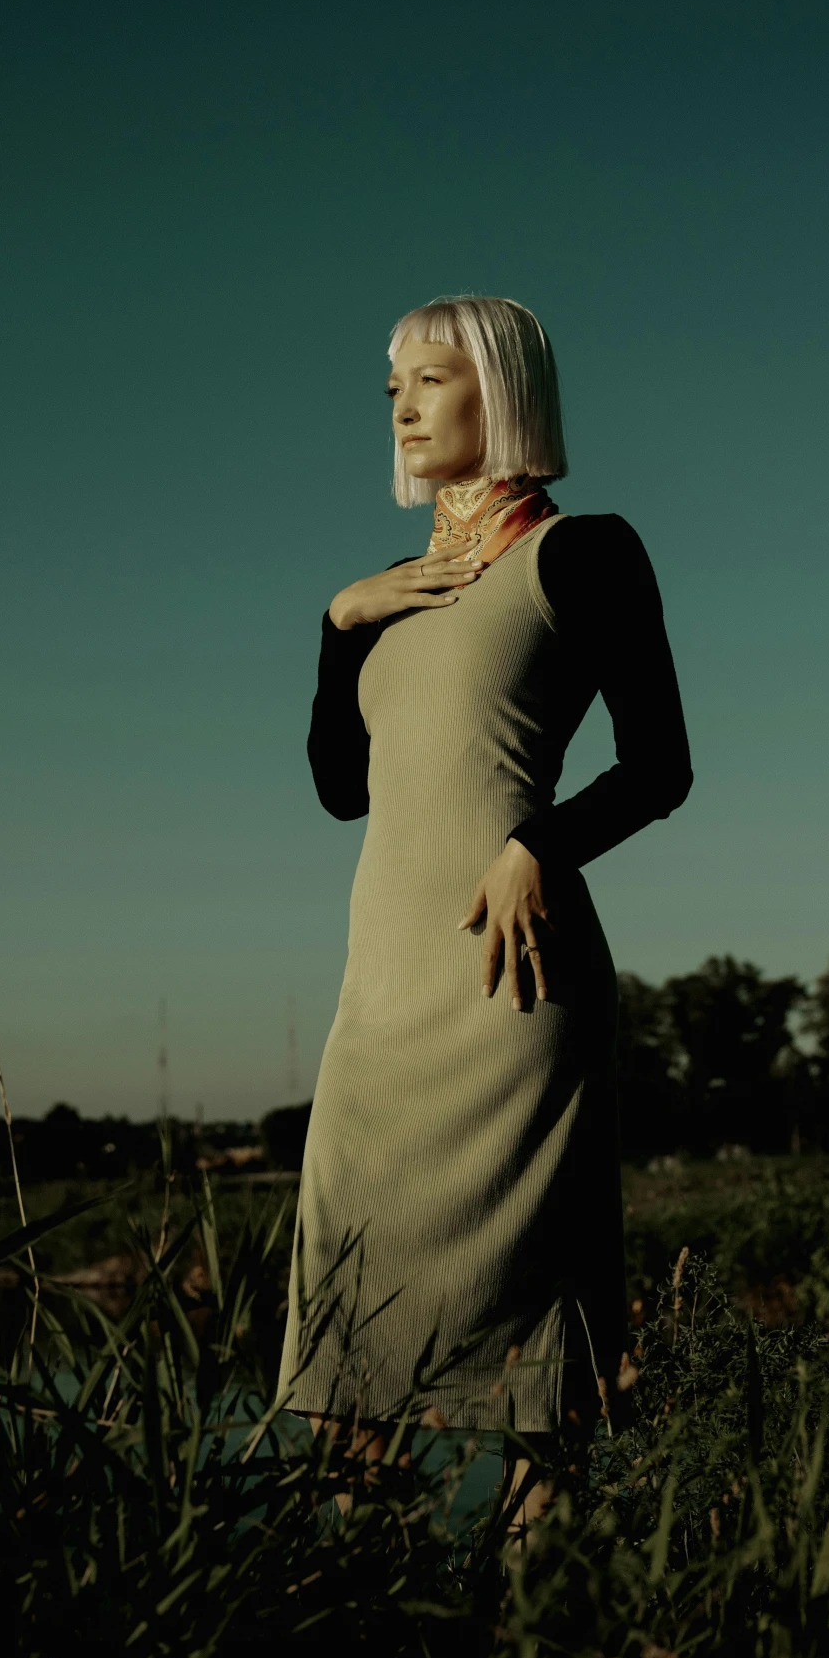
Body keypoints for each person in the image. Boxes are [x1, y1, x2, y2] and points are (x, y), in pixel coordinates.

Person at [279, 294, 691, 1530]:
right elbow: (339, 793)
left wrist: (539, 843)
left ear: (502, 392)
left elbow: (660, 764)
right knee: (345, 1371)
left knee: (538, 1393)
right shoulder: (390, 593)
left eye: (434, 377)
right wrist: (335, 625)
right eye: (391, 384)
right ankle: (362, 1657)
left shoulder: (583, 551)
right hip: (380, 1003)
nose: (404, 402)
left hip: (509, 990)